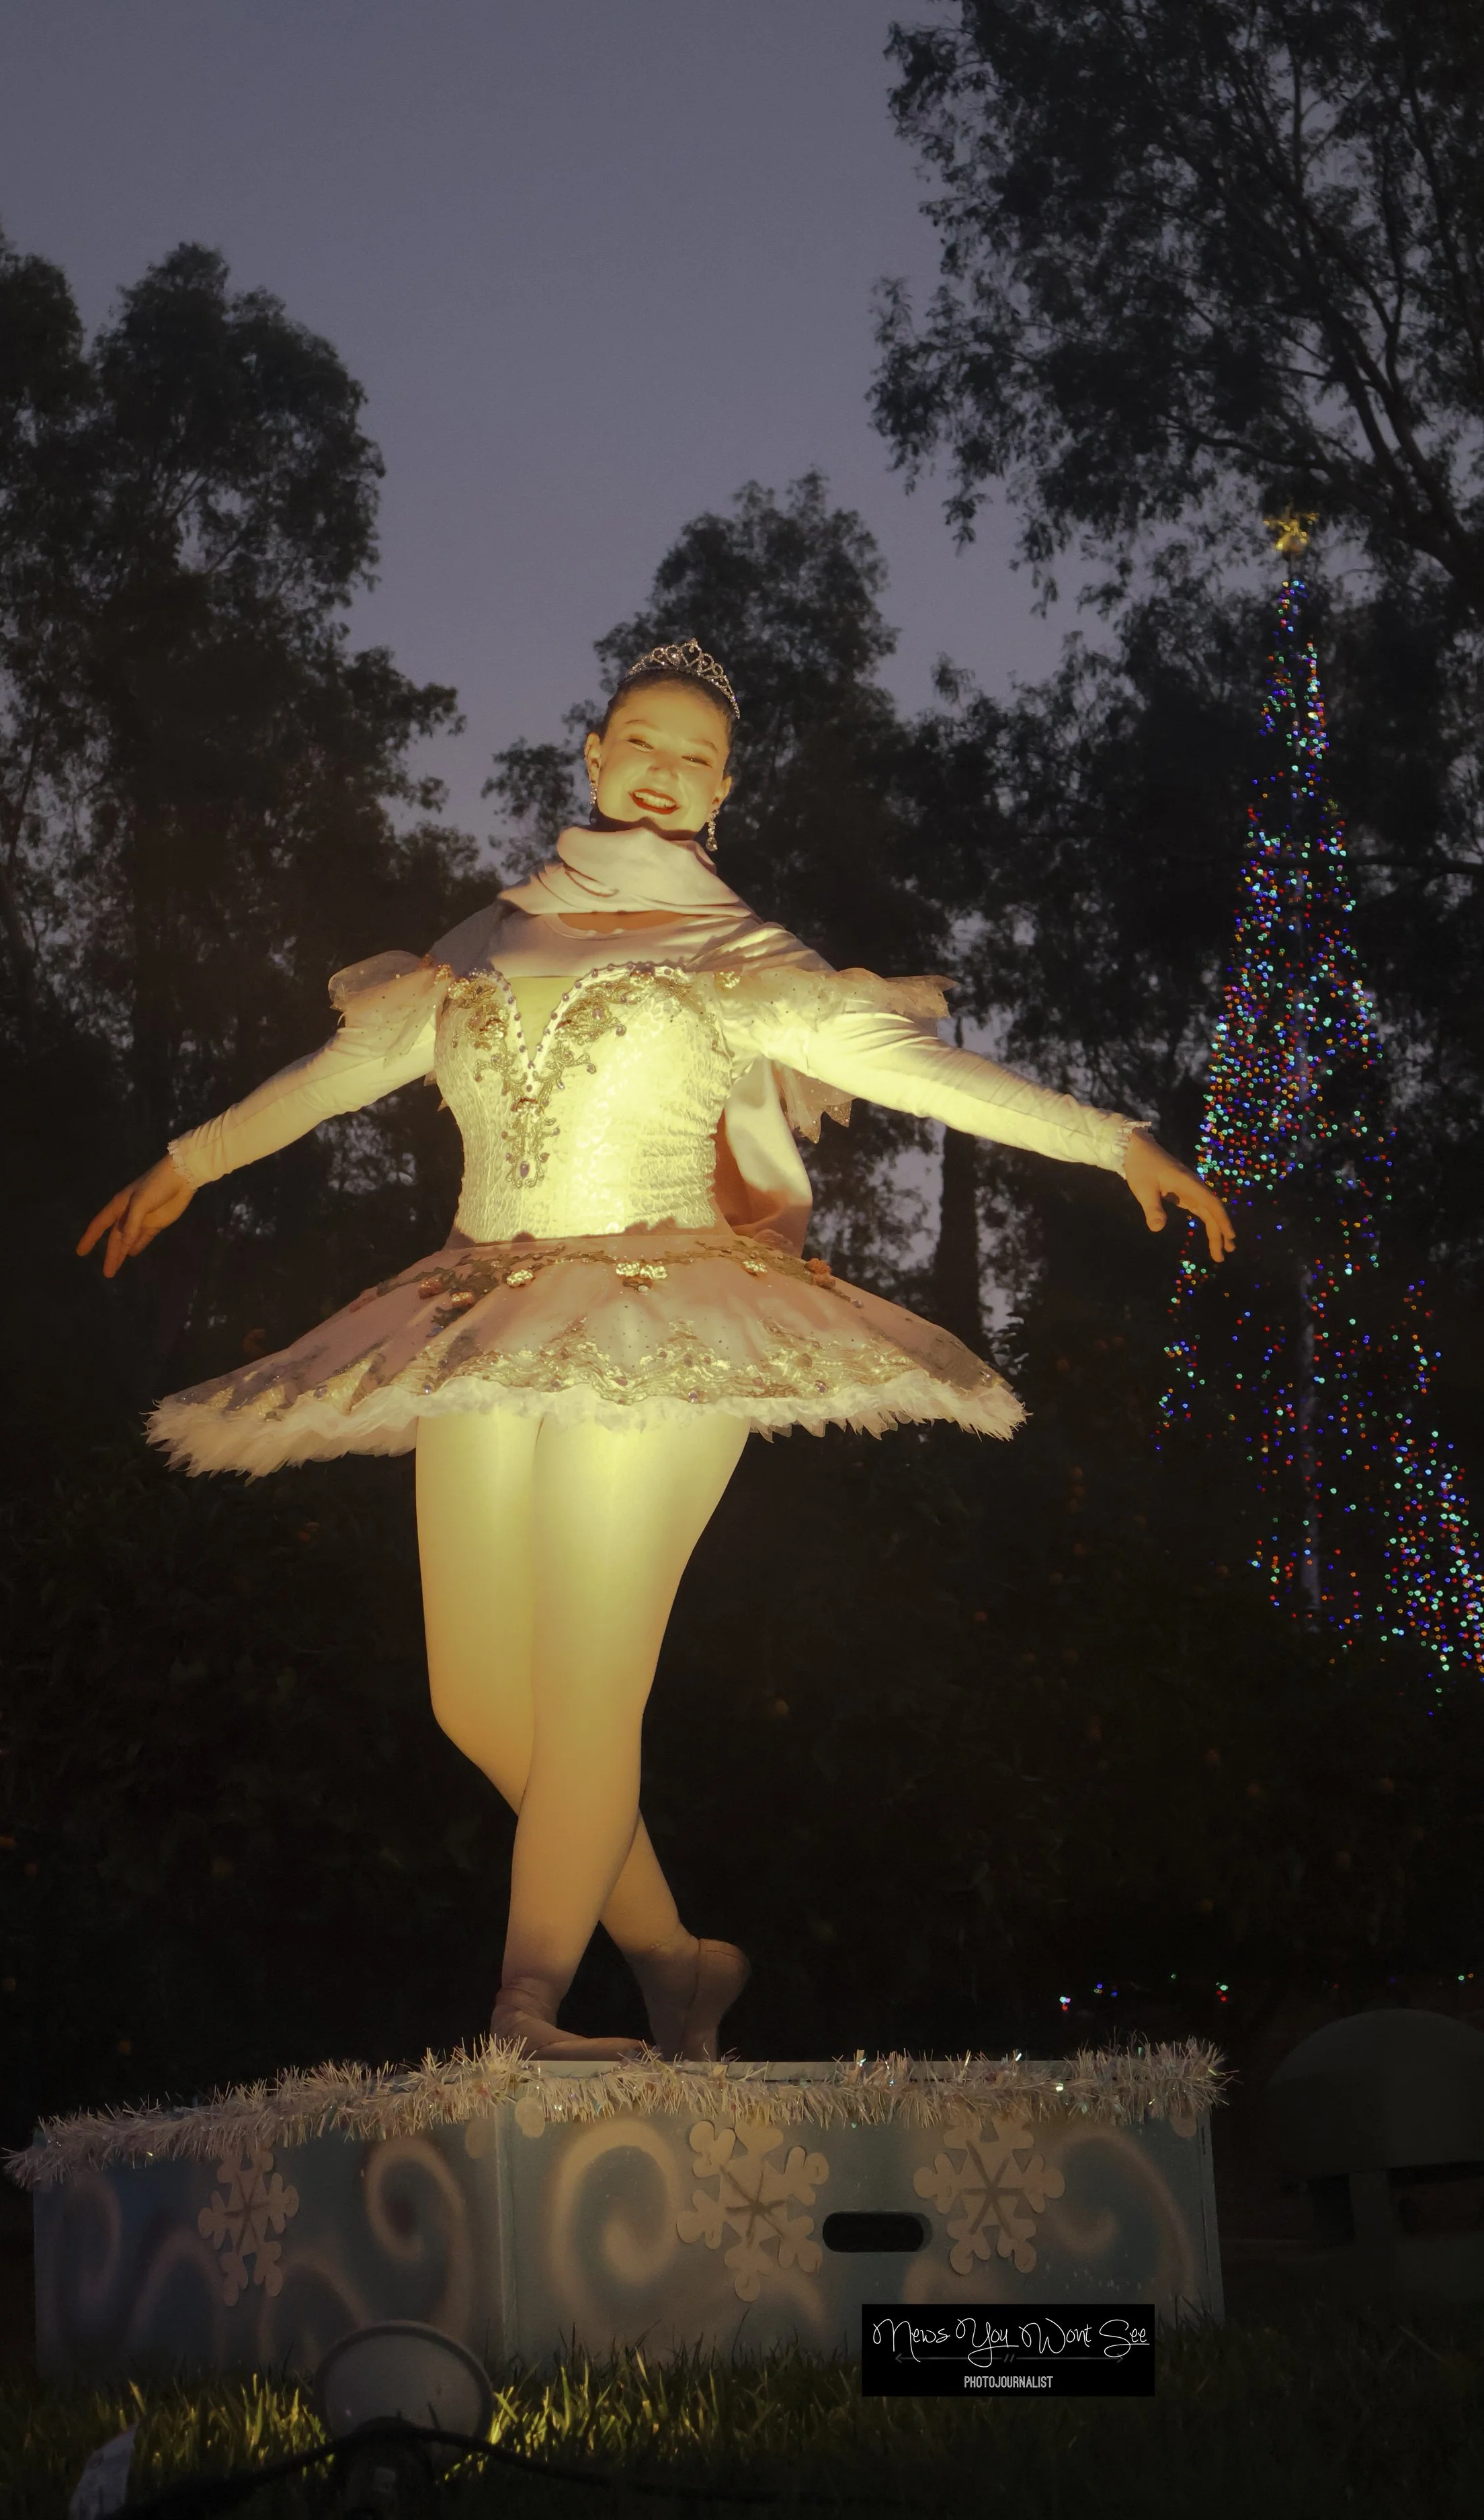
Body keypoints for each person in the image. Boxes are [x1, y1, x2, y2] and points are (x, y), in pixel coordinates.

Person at [79, 639, 1233, 2063]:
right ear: (595, 755)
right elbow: (349, 1069)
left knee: (587, 1683)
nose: (661, 767)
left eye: (692, 754)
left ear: (721, 790)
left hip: (669, 1316)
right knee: (473, 1699)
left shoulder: (739, 956)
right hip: (484, 1308)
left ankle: (524, 2013)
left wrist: (1106, 1140)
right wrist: (192, 1160)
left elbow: (916, 1073)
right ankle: (678, 1962)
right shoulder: (492, 937)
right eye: (640, 739)